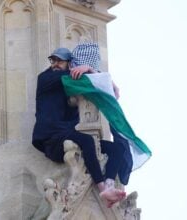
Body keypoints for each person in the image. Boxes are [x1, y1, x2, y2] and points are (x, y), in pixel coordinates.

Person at [32, 47, 132, 208]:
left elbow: (93, 82)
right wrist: (90, 69)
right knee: (86, 140)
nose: (55, 64)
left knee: (117, 149)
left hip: (67, 134)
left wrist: (91, 70)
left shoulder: (68, 83)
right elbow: (90, 80)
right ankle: (101, 188)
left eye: (60, 61)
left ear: (69, 63)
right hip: (51, 139)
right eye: (53, 60)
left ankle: (109, 185)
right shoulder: (46, 78)